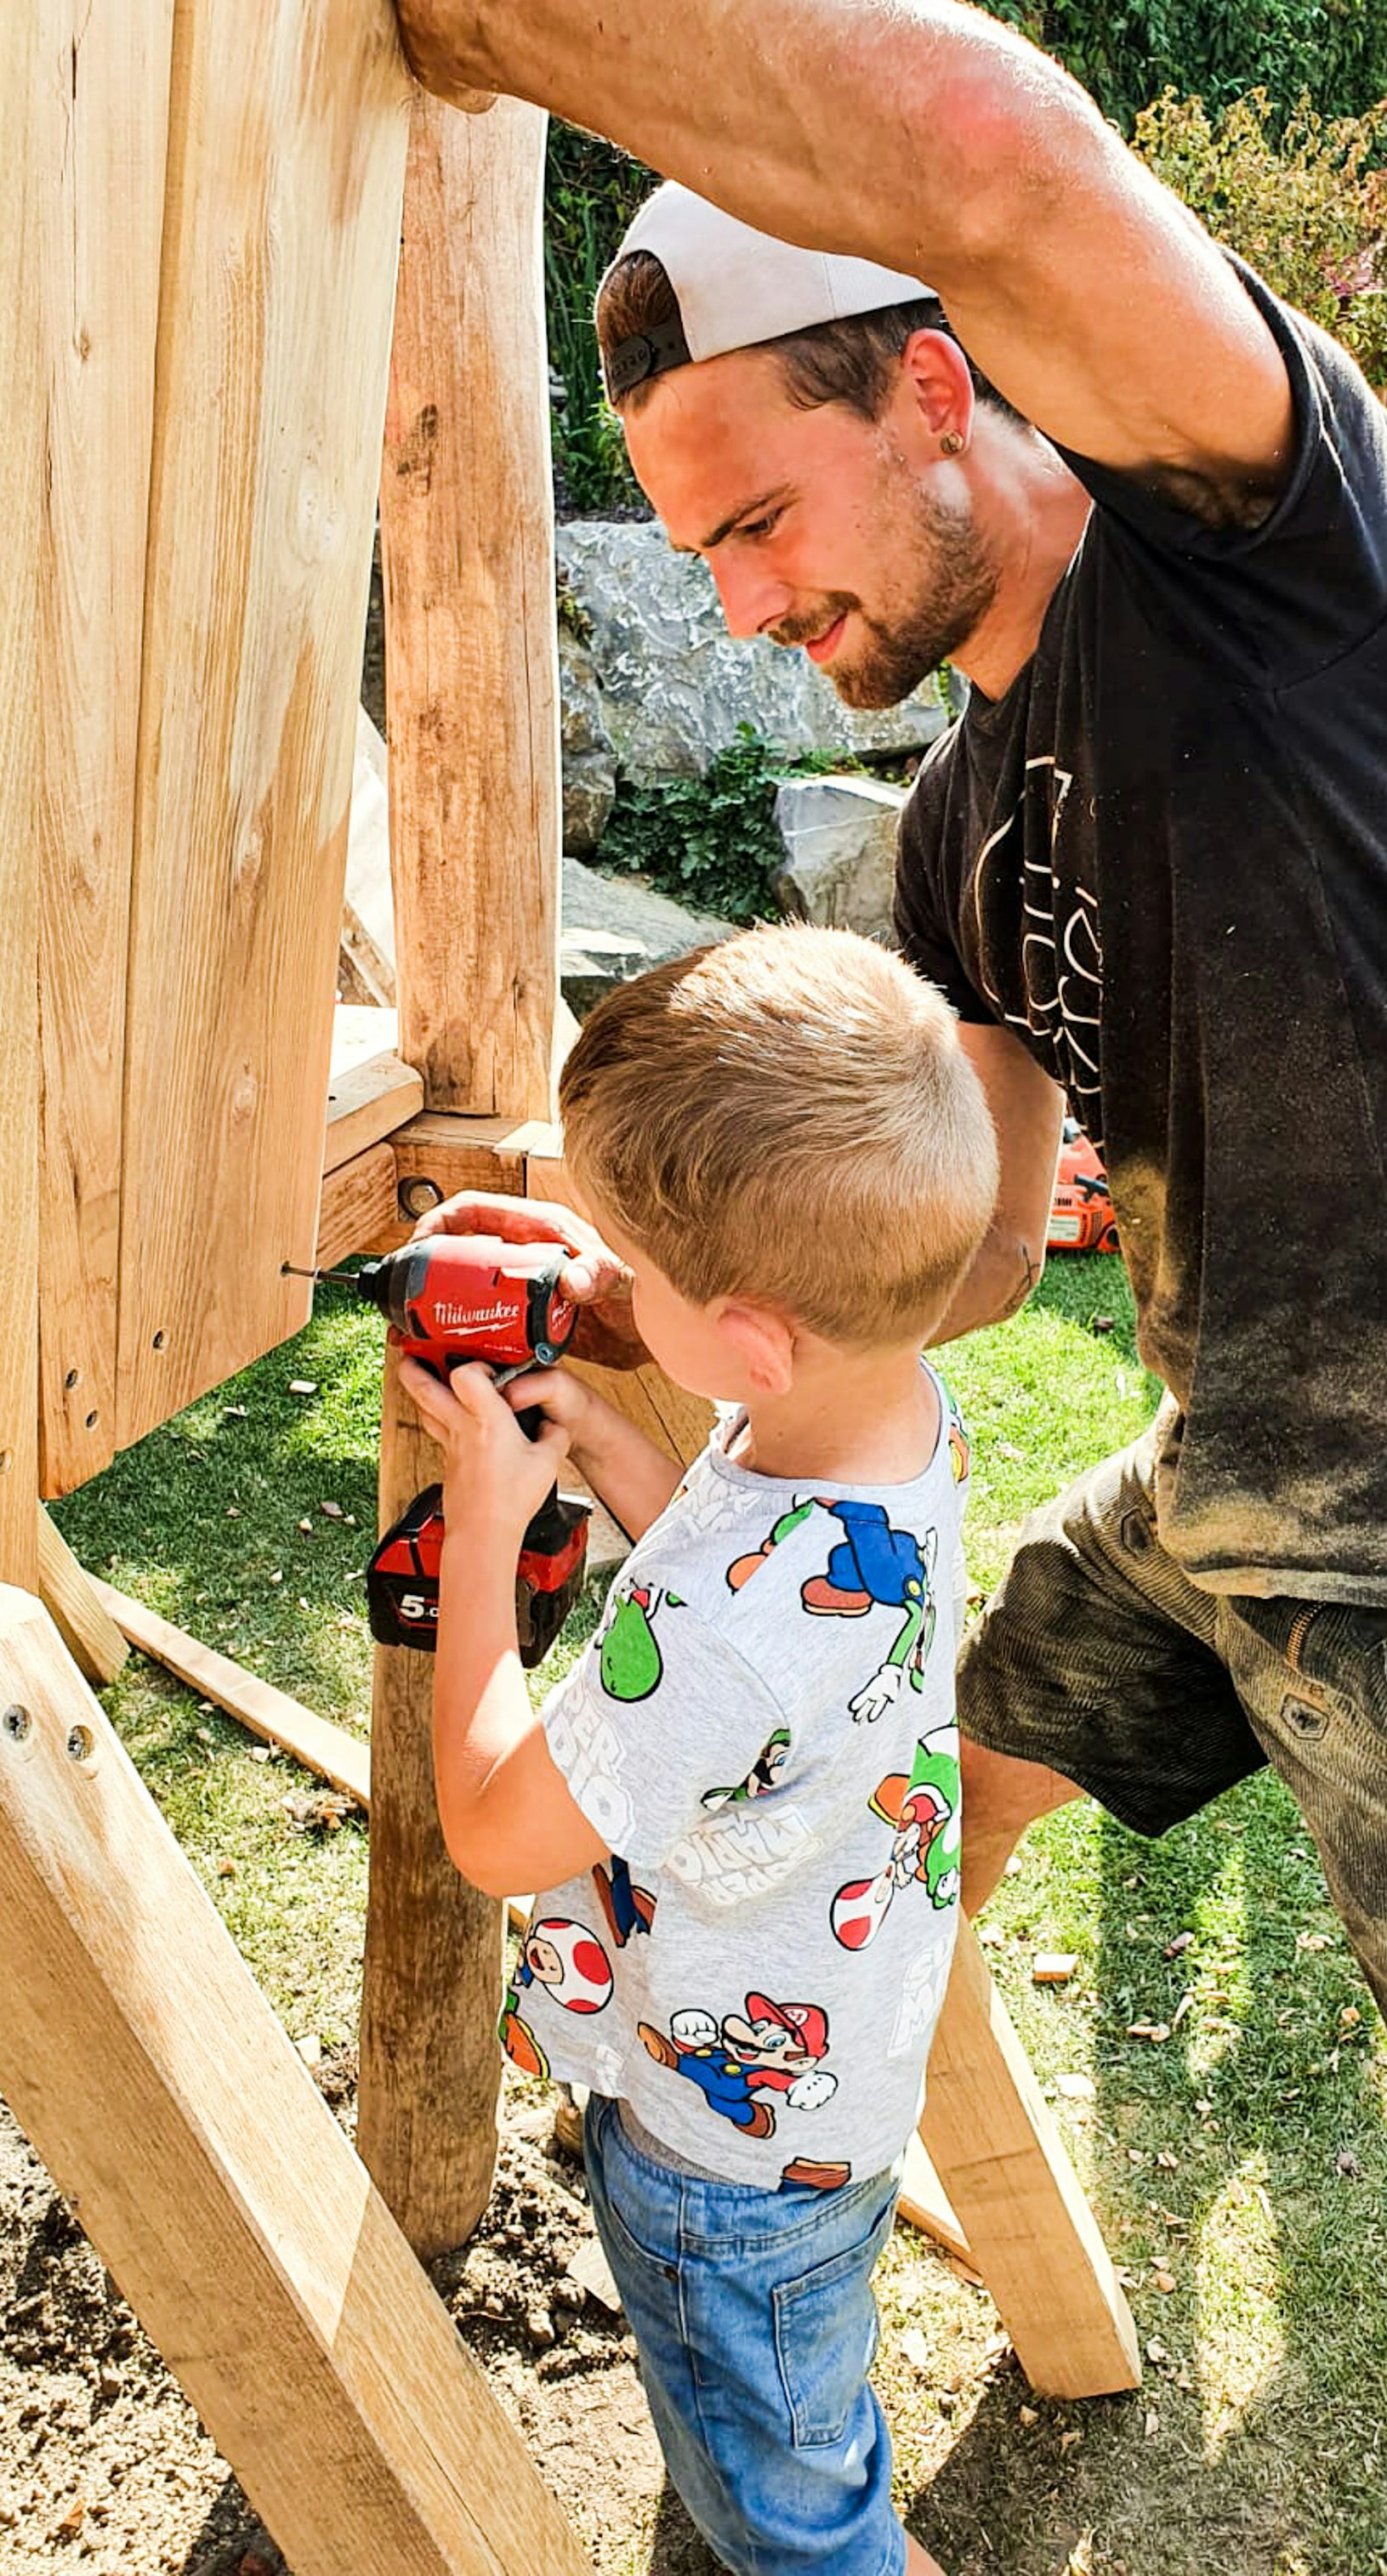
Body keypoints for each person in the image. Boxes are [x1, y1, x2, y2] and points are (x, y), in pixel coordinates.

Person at [395, 0, 1387, 2017]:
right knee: (966, 1752)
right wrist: (645, 1293)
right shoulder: (957, 838)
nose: (740, 606)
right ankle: (868, 2098)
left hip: (1374, 1551)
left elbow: (978, 142)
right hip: (1233, 1489)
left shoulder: (1252, 544)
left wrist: (480, 27)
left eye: (755, 524)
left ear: (934, 387)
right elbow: (985, 1252)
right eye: (699, 553)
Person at [399, 922, 998, 2576]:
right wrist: (603, 1447)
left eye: (630, 1275)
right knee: (804, 2385)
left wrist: (477, 1537)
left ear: (748, 1342)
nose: (605, 1293)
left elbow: (496, 1831)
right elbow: (762, 1620)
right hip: (835, 2085)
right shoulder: (888, 1429)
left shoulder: (732, 1634)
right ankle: (840, 2506)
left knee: (771, 2486)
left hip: (718, 2164)